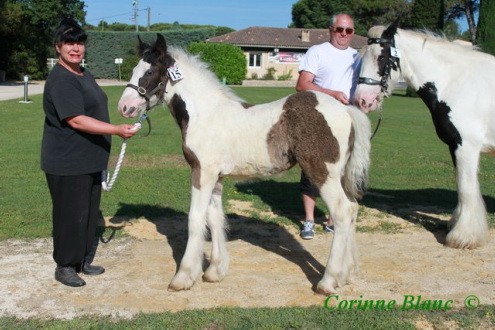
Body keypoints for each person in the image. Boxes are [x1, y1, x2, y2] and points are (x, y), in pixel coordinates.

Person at [41, 18, 139, 287]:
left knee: (87, 212)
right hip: (67, 160)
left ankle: (81, 260)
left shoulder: (82, 73)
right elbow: (75, 119)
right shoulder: (61, 79)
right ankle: (64, 266)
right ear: (58, 47)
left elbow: (94, 106)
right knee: (70, 215)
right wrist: (116, 129)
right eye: (69, 43)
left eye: (80, 43)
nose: (76, 48)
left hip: (89, 158)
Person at [296, 13, 360, 240]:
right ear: (330, 30)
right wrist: (332, 94)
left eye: (349, 30)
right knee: (312, 170)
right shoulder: (317, 51)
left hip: (349, 122)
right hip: (319, 120)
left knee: (343, 171)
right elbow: (302, 84)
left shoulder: (358, 57)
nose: (344, 34)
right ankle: (310, 220)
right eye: (339, 29)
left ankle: (333, 219)